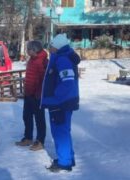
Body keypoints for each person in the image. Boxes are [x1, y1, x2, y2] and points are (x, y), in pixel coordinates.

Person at [41, 34, 80, 172]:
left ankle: (64, 162)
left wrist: (55, 96)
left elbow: (67, 82)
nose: (49, 49)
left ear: (56, 47)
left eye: (50, 46)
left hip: (60, 103)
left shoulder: (62, 59)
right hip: (63, 102)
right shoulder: (63, 57)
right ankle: (68, 158)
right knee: (64, 131)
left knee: (60, 132)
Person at [15, 41, 48, 151]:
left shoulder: (42, 61)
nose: (27, 51)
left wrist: (38, 93)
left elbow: (43, 80)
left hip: (37, 95)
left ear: (34, 50)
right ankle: (28, 137)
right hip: (29, 94)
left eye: (29, 49)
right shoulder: (32, 59)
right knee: (27, 116)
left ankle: (40, 141)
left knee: (39, 119)